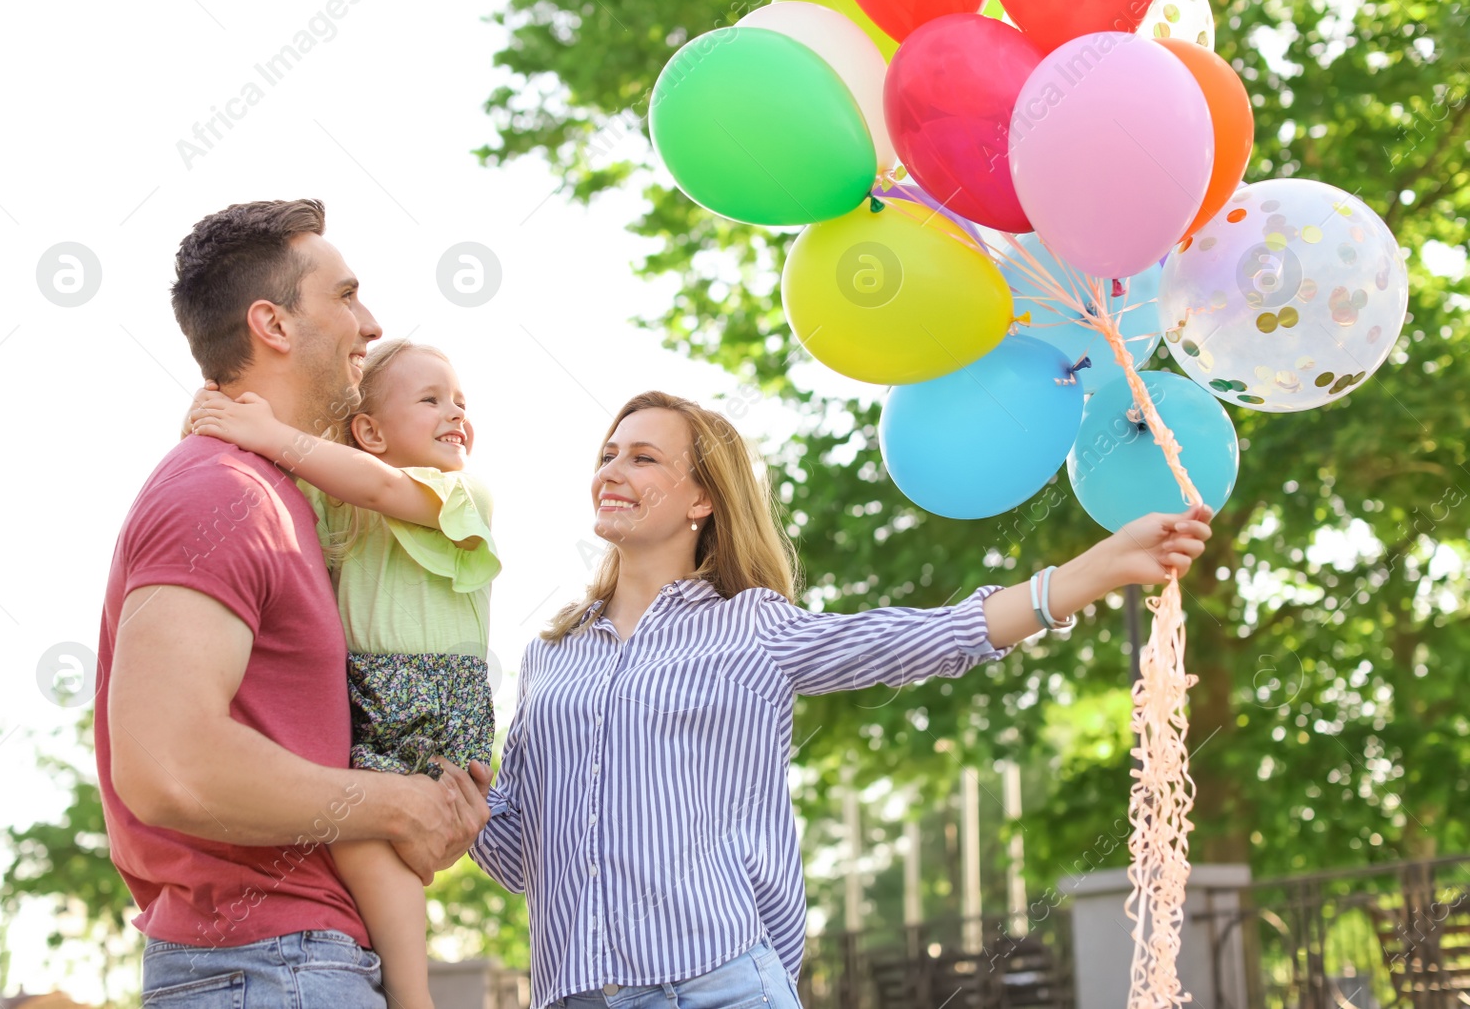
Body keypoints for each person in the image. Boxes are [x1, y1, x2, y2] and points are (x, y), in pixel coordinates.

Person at [469, 390, 1214, 1009]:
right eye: (607, 453)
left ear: (702, 496)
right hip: (572, 991)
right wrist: (439, 786)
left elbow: (923, 637)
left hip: (717, 983)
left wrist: (1097, 568)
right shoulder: (549, 656)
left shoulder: (750, 626)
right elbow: (517, 849)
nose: (613, 468)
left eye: (643, 457)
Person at [95, 199, 490, 1009]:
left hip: (282, 964)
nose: (370, 323)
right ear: (272, 324)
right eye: (345, 296)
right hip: (270, 967)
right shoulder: (225, 491)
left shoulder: (290, 502)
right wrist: (399, 803)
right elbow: (167, 764)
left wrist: (420, 814)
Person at [187, 338, 499, 1009]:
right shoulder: (339, 497)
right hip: (364, 692)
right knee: (363, 842)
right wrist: (218, 416)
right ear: (369, 431)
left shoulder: (460, 491)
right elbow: (275, 476)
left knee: (361, 837)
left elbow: (380, 483)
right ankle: (401, 985)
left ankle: (414, 996)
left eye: (461, 402)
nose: (456, 413)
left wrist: (264, 429)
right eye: (432, 398)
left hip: (431, 699)